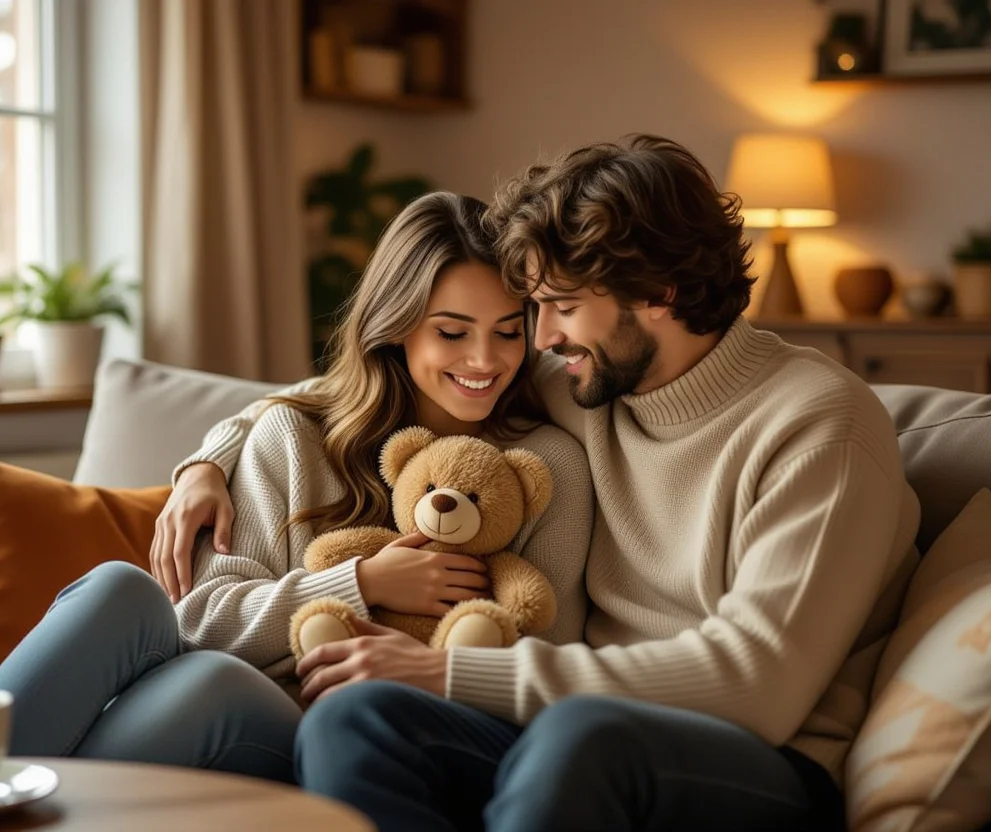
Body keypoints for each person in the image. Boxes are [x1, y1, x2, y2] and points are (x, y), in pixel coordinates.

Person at [192, 136, 922, 831]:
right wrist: (211, 459)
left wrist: (448, 672)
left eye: (561, 308)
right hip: (573, 727)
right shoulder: (591, 376)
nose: (537, 341)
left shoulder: (822, 424)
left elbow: (757, 685)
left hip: (762, 762)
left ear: (659, 294)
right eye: (534, 311)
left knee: (583, 734)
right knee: (359, 713)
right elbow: (375, 376)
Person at [0, 192, 593, 787]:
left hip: (352, 731)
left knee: (212, 685)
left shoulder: (544, 466)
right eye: (453, 333)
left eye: (508, 332)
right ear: (396, 328)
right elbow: (199, 620)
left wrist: (424, 663)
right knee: (118, 588)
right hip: (231, 687)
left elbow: (546, 659)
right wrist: (361, 583)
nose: (485, 360)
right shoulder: (296, 435)